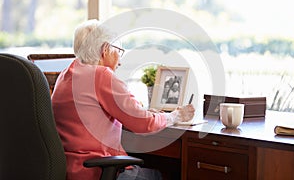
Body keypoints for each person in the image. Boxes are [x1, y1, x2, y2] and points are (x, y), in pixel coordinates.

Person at [51, 19, 195, 180]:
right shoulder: (101, 76)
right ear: (105, 50)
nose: (120, 60)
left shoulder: (66, 73)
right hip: (95, 170)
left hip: (68, 168)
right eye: (119, 50)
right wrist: (175, 116)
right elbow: (144, 124)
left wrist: (144, 112)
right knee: (165, 175)